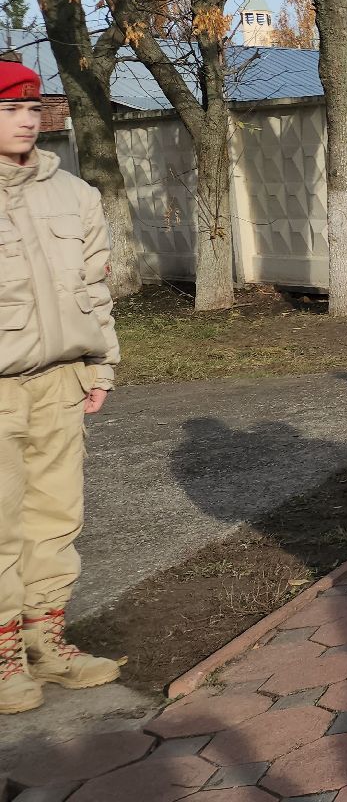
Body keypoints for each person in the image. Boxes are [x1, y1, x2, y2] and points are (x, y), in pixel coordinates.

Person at [0, 61, 121, 714]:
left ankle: (46, 641)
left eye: (32, 108)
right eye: (10, 108)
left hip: (60, 382)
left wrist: (99, 365)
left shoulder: (72, 194)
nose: (27, 118)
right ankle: (2, 655)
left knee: (55, 515)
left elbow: (93, 289)